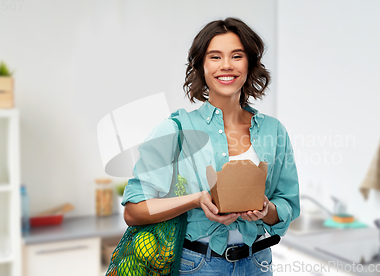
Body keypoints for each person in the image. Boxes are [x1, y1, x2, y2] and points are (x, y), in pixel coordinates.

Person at [122, 17, 300, 275]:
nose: (226, 66)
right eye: (215, 57)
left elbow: (288, 205)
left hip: (258, 263)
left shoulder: (274, 131)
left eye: (236, 56)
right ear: (201, 66)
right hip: (198, 265)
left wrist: (267, 210)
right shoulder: (176, 130)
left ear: (249, 64)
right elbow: (134, 210)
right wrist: (196, 200)